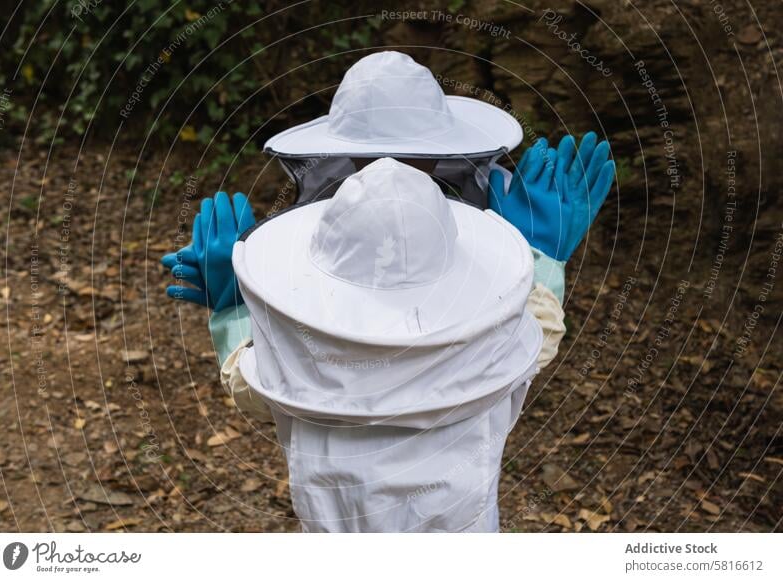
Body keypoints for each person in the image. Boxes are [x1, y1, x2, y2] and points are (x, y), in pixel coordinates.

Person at [160, 51, 616, 531]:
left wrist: (236, 304)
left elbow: (245, 380)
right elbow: (534, 339)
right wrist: (540, 256)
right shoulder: (495, 360)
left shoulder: (297, 367)